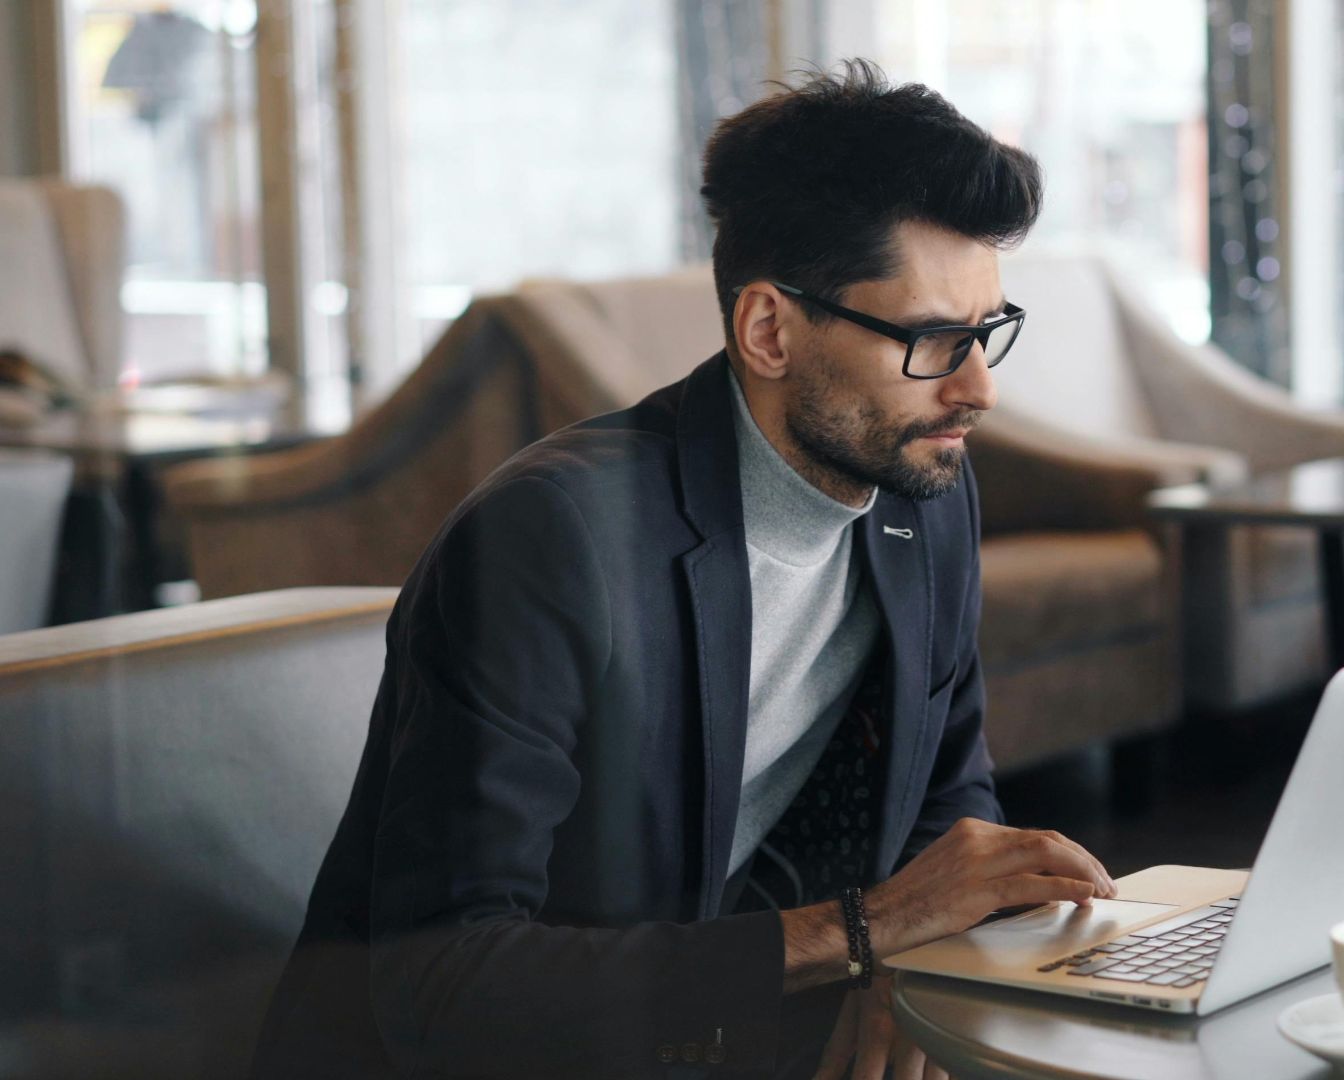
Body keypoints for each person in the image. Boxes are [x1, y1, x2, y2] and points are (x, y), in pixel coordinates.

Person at [249, 60, 1117, 1080]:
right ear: (768, 330)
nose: (976, 389)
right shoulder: (552, 541)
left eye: (984, 334)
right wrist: (870, 927)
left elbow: (945, 797)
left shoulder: (921, 493)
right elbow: (443, 984)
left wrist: (910, 967)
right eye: (931, 340)